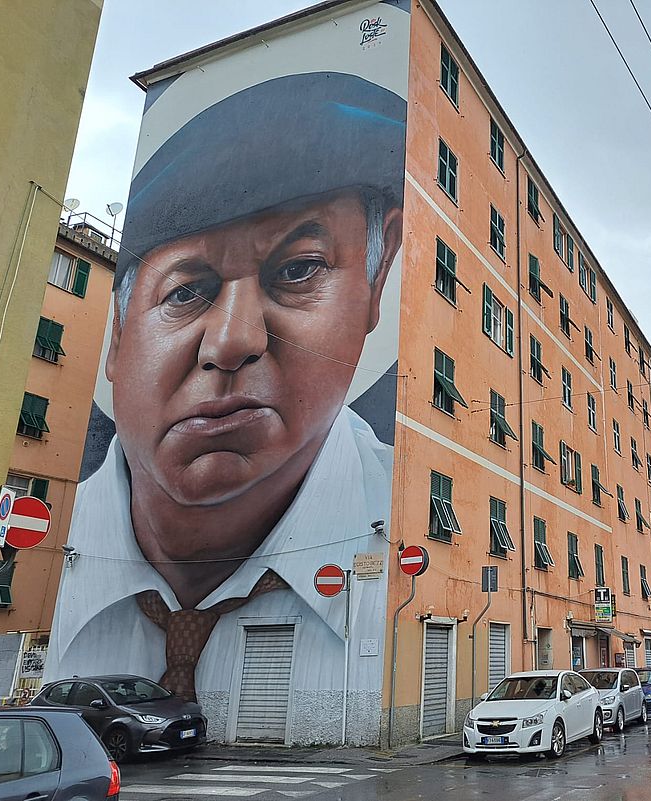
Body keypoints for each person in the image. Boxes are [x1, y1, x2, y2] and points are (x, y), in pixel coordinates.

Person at [45, 71, 407, 739]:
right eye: (186, 290)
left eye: (298, 269)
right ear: (118, 335)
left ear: (376, 280)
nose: (234, 341)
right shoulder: (65, 555)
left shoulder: (401, 509)